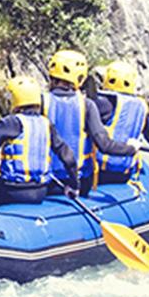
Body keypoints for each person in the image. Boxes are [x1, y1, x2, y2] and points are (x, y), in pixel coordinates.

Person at [45, 48, 140, 194]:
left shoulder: (40, 102)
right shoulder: (87, 105)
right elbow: (105, 145)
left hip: (46, 182)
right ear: (80, 77)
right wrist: (131, 148)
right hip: (78, 182)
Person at [0, 76, 78, 207]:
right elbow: (68, 157)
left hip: (13, 191)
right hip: (40, 191)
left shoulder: (10, 122)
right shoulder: (46, 124)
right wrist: (74, 185)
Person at [89, 59, 149, 185]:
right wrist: (148, 119)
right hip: (123, 174)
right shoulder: (141, 107)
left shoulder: (101, 103)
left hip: (96, 173)